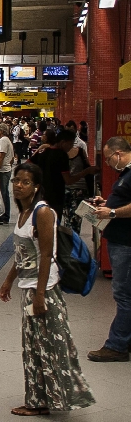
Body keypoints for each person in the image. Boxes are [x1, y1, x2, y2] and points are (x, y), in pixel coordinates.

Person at [0, 162, 95, 416]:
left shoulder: (43, 212)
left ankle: (57, 398)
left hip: (45, 290)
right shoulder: (23, 212)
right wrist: (9, 280)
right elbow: (23, 254)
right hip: (28, 289)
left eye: (26, 182)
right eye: (16, 180)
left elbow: (45, 255)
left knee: (53, 346)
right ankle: (38, 401)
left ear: (37, 186)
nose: (19, 185)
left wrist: (41, 294)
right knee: (32, 347)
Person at [88, 136, 131, 362]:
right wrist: (107, 203)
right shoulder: (125, 175)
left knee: (123, 294)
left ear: (117, 154)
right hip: (121, 240)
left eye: (107, 159)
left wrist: (112, 213)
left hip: (126, 242)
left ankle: (117, 345)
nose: (107, 164)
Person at [30, 129, 97, 219]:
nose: (70, 147)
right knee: (54, 223)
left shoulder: (43, 151)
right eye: (70, 144)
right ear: (62, 142)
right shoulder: (62, 155)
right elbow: (68, 180)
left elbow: (27, 164)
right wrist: (86, 172)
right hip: (56, 197)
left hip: (40, 195)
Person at [63, 135, 92, 231]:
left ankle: (69, 241)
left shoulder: (61, 154)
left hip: (66, 188)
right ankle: (73, 240)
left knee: (67, 218)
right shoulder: (80, 151)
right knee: (76, 219)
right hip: (80, 188)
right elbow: (87, 165)